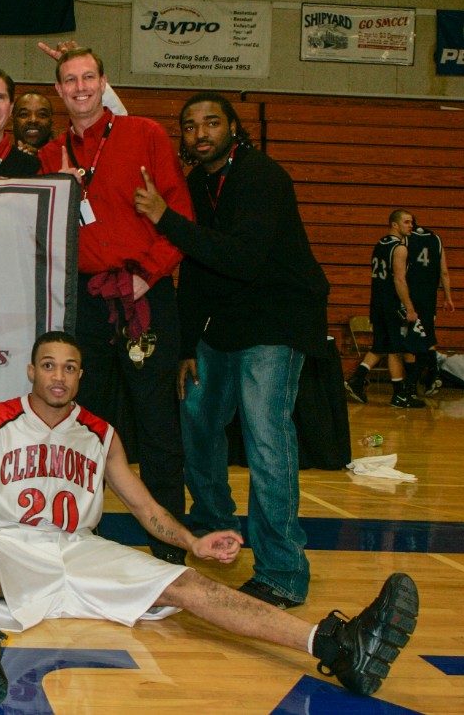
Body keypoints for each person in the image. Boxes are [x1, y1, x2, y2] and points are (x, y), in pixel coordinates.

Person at [0, 331, 419, 704]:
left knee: (189, 583)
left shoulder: (101, 434)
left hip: (79, 548)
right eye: (48, 364)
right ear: (31, 370)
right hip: (11, 546)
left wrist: (193, 543)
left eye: (68, 367)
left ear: (81, 375)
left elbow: (146, 508)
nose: (58, 375)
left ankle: (338, 646)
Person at [133, 93, 329, 608]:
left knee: (267, 441)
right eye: (191, 125)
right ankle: (214, 525)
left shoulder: (263, 177)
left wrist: (163, 218)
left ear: (234, 128)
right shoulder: (196, 183)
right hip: (221, 328)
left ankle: (283, 570)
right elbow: (194, 268)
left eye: (212, 122)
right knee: (197, 419)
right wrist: (187, 344)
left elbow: (242, 258)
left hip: (277, 322)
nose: (201, 133)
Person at [36, 47, 193, 563]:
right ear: (58, 91)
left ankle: (169, 546)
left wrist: (149, 275)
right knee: (86, 423)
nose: (79, 88)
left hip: (143, 293)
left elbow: (179, 213)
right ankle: (81, 538)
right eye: (69, 80)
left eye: (88, 77)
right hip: (85, 301)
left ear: (104, 82)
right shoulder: (49, 155)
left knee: (156, 423)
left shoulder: (143, 134)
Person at [345, 210, 425, 408]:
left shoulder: (380, 244)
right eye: (406, 222)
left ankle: (356, 380)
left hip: (377, 303)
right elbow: (399, 280)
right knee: (395, 350)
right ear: (394, 225)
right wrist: (409, 307)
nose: (411, 226)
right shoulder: (399, 248)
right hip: (391, 304)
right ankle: (399, 395)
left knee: (380, 346)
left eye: (411, 223)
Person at [405, 222, 455, 395]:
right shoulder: (436, 239)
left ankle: (412, 383)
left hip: (410, 297)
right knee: (428, 336)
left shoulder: (406, 239)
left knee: (411, 341)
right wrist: (447, 298)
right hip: (429, 298)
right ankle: (432, 376)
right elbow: (444, 272)